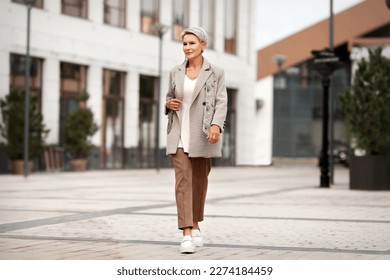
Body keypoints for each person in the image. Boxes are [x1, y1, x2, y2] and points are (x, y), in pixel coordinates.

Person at [165, 27, 228, 253]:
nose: (187, 47)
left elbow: (221, 102)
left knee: (199, 182)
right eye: (184, 44)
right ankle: (186, 233)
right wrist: (168, 104)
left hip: (202, 134)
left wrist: (215, 125)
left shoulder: (216, 72)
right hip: (179, 134)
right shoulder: (174, 72)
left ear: (203, 45)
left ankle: (195, 222)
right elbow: (169, 97)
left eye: (192, 43)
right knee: (183, 182)